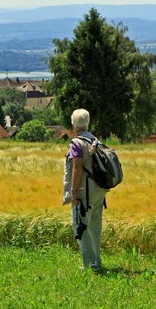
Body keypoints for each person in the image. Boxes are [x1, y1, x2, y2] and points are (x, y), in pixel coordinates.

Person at [63, 108, 107, 271]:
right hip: (99, 190)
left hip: (84, 191)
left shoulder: (77, 143)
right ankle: (97, 261)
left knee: (80, 225)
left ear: (74, 124)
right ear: (87, 123)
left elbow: (77, 167)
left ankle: (89, 264)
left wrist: (73, 192)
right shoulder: (95, 140)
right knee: (95, 226)